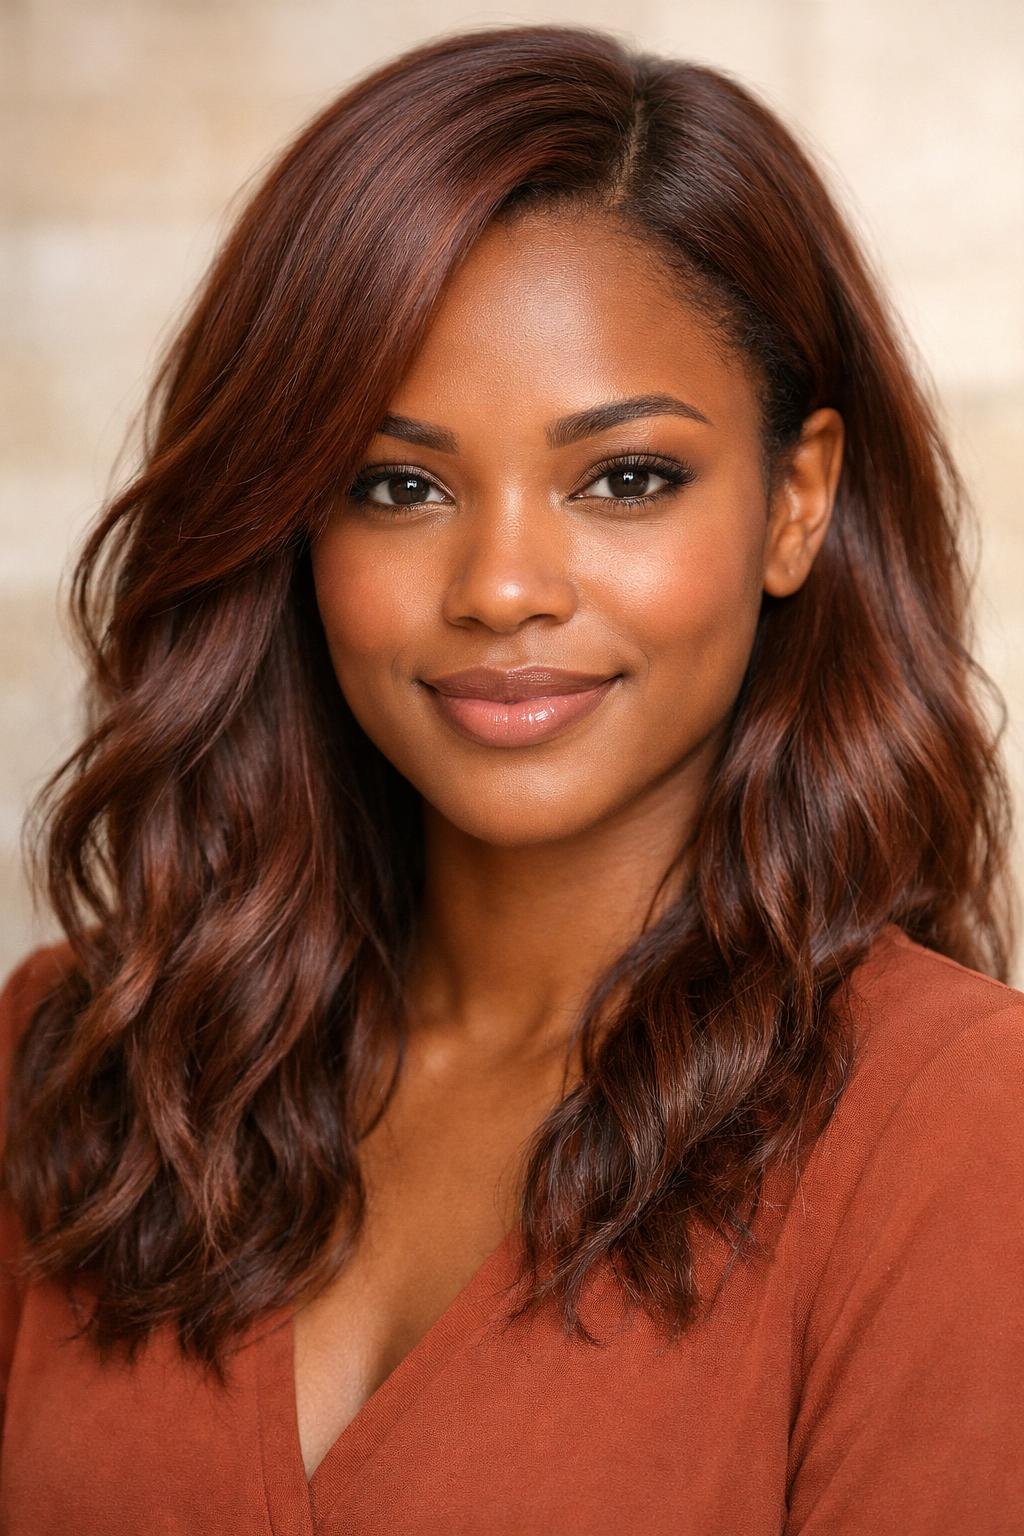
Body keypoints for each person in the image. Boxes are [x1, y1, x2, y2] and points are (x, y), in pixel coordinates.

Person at [1, 21, 1022, 1535]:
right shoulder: (80, 1059)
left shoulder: (958, 1130)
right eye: (397, 485)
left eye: (624, 478)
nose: (499, 588)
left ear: (795, 502)